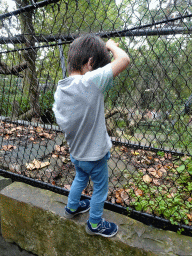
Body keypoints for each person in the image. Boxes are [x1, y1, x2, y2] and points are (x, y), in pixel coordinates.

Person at [53, 34, 130, 237]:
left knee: (80, 178)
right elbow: (124, 60)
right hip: (95, 156)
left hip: (77, 154)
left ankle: (71, 208)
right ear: (90, 63)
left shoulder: (61, 89)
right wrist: (111, 46)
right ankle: (94, 224)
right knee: (100, 190)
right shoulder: (91, 82)